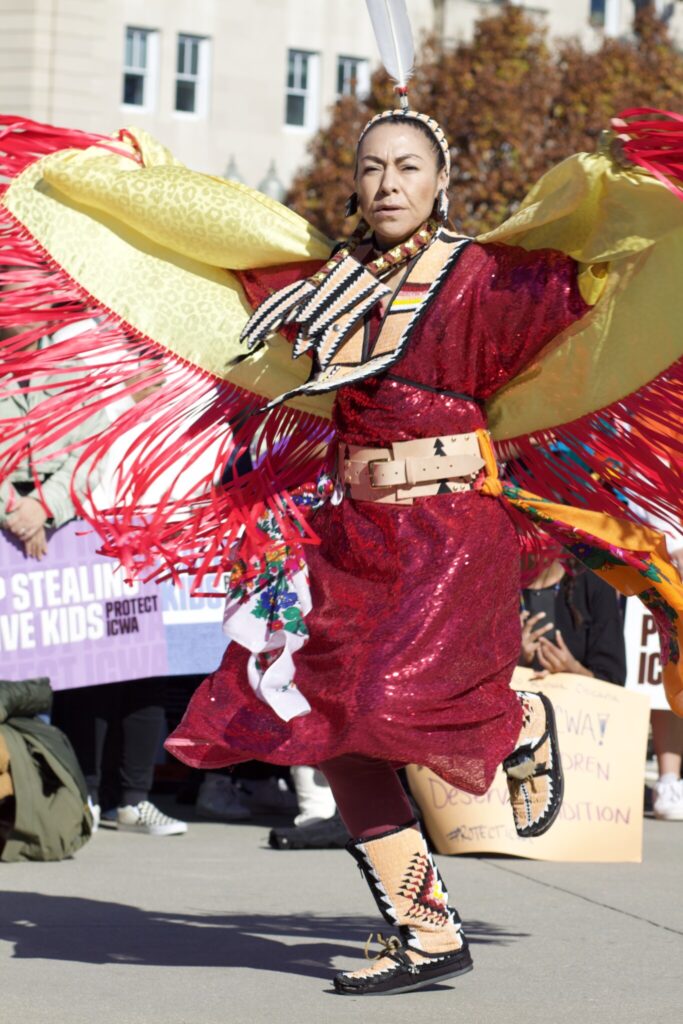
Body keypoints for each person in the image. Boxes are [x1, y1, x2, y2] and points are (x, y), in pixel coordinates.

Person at [2, 54, 683, 999]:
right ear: (353, 184)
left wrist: (637, 183)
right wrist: (116, 175)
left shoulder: (490, 277)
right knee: (334, 733)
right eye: (372, 168)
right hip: (353, 539)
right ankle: (425, 928)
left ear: (442, 183)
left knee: (388, 707)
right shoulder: (317, 283)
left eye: (408, 166)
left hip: (451, 533)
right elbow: (194, 246)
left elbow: (611, 272)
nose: (388, 182)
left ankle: (515, 720)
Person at [520, 556, 626, 684]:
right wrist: (512, 659)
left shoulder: (594, 580)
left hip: (573, 701)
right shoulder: (497, 576)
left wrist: (574, 670)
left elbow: (613, 679)